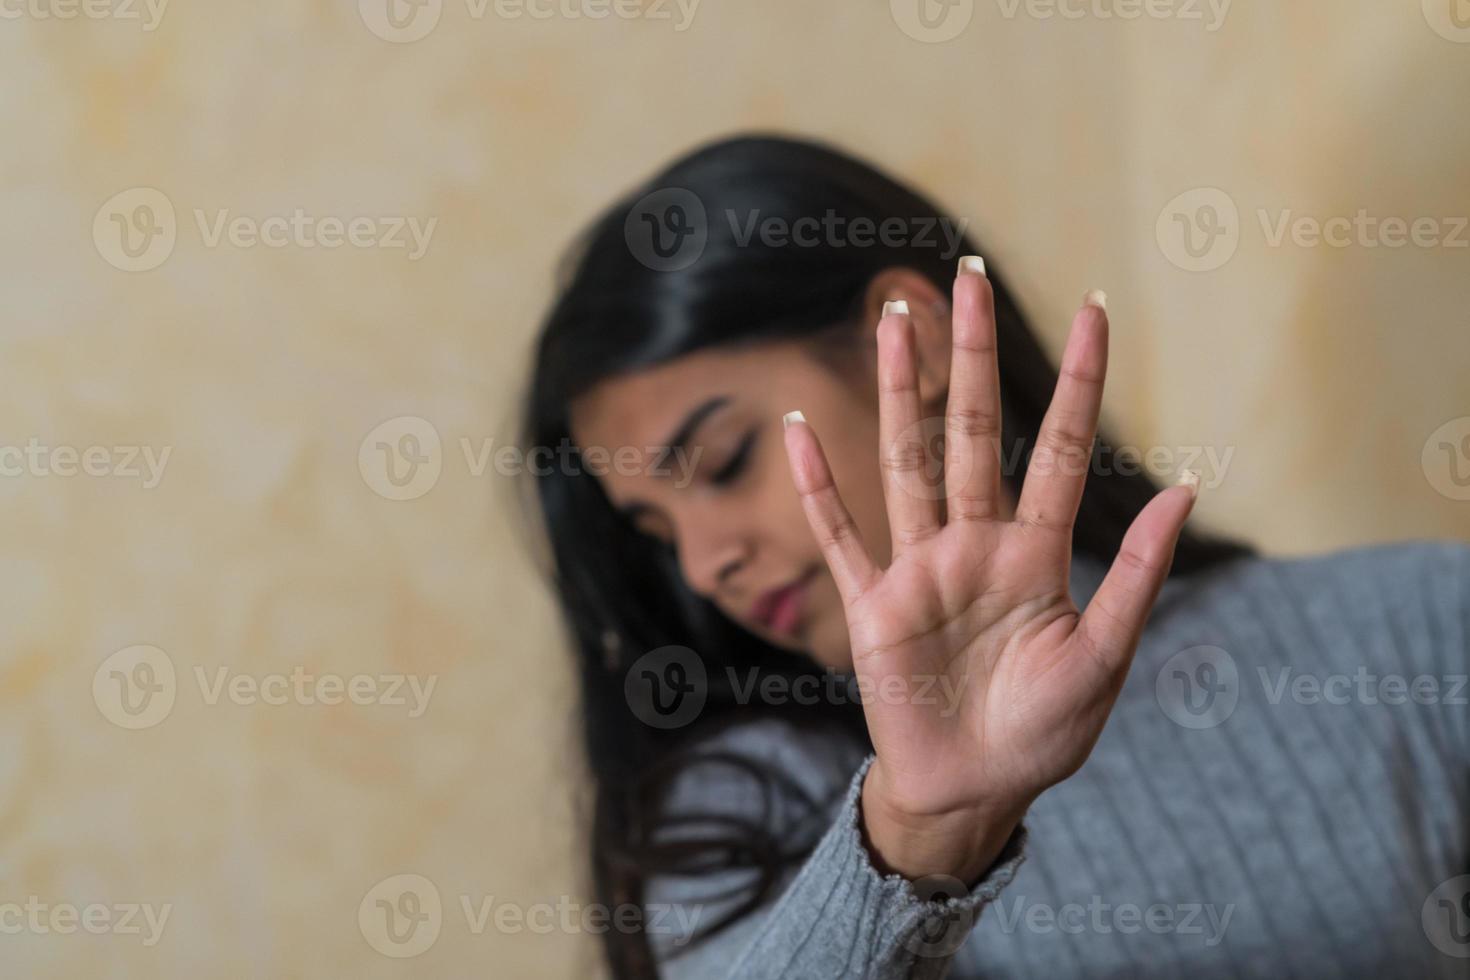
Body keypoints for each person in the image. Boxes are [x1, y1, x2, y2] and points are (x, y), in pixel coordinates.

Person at [521, 134, 1470, 978]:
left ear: (912, 341)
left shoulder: (1412, 631)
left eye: (725, 463)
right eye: (655, 532)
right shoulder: (732, 806)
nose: (701, 566)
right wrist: (920, 835)